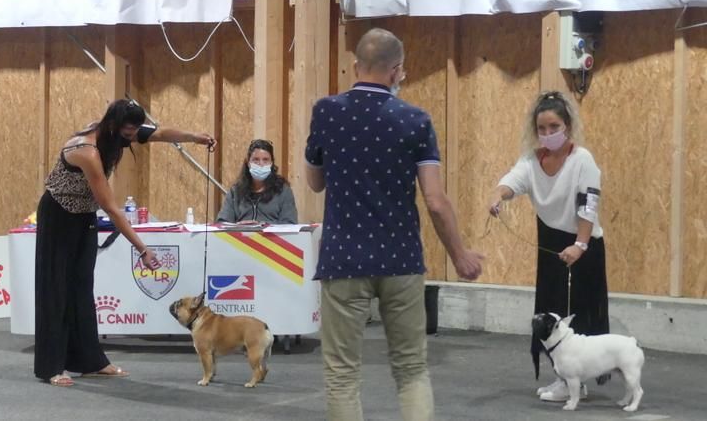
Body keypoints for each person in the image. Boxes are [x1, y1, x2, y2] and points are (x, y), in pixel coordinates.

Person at [305, 27, 483, 421]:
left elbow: (315, 181)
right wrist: (460, 255)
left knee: (342, 374)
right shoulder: (416, 121)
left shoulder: (326, 111)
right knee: (411, 369)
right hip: (400, 259)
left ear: (355, 66)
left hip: (343, 258)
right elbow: (435, 201)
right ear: (397, 71)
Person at [34, 99, 216, 387]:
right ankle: (51, 366)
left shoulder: (119, 133)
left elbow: (159, 133)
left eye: (133, 133)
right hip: (59, 215)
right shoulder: (87, 151)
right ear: (113, 126)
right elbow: (112, 207)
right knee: (56, 288)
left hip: (83, 214)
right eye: (128, 134)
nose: (131, 139)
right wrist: (142, 249)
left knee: (82, 289)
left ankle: (91, 362)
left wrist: (194, 137)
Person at [488, 90, 609, 402]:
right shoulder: (531, 160)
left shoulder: (583, 161)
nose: (547, 134)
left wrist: (580, 245)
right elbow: (512, 180)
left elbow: (588, 205)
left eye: (554, 127)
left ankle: (576, 380)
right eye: (541, 129)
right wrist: (499, 195)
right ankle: (563, 378)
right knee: (550, 312)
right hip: (551, 244)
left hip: (584, 242)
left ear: (567, 125)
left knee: (577, 315)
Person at [216, 139, 297, 224]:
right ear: (248, 162)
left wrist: (263, 226)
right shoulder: (235, 191)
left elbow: (290, 223)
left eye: (265, 160)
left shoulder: (283, 191)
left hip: (270, 237)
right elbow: (222, 222)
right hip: (240, 236)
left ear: (272, 163)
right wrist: (238, 227)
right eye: (256, 159)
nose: (261, 164)